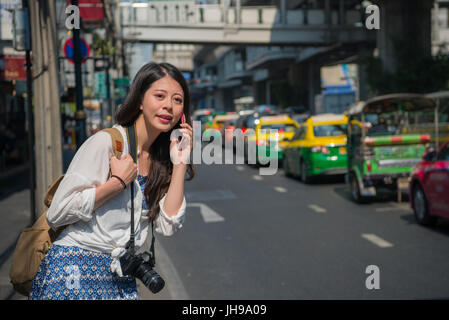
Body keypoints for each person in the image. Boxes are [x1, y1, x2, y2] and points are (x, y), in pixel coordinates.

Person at [29, 62, 195, 300]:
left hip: (120, 278)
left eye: (177, 100)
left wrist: (180, 163)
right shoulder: (107, 144)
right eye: (160, 96)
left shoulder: (161, 160)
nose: (168, 105)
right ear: (140, 100)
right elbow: (58, 212)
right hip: (74, 271)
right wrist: (116, 183)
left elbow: (167, 226)